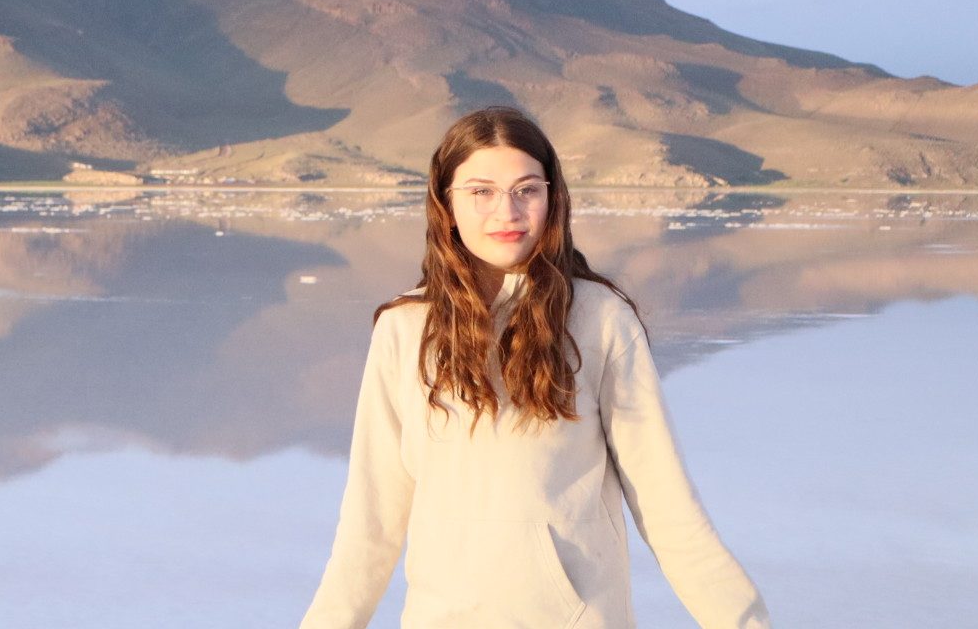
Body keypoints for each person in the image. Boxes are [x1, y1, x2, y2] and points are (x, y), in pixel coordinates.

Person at [300, 106, 770, 628]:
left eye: (527, 189)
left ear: (552, 199)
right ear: (447, 204)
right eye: (481, 191)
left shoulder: (599, 320)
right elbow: (371, 521)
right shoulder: (405, 329)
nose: (508, 212)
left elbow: (667, 507)